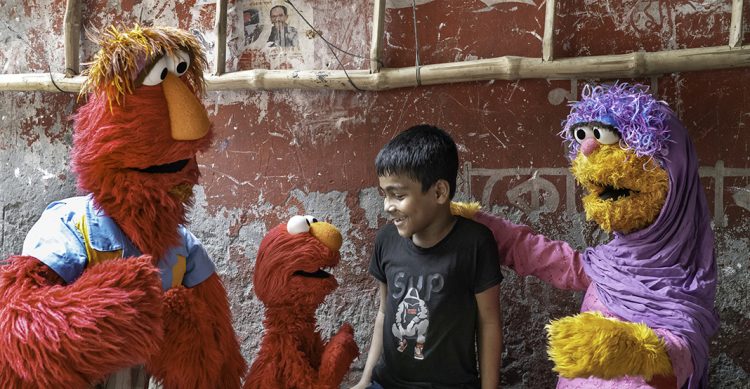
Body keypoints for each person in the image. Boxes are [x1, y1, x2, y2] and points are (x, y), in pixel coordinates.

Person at [353, 125, 503, 389]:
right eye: (384, 194)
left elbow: (488, 322)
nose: (388, 206)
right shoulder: (386, 240)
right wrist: (365, 381)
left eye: (398, 195)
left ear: (438, 192)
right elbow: (383, 311)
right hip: (387, 383)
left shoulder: (475, 243)